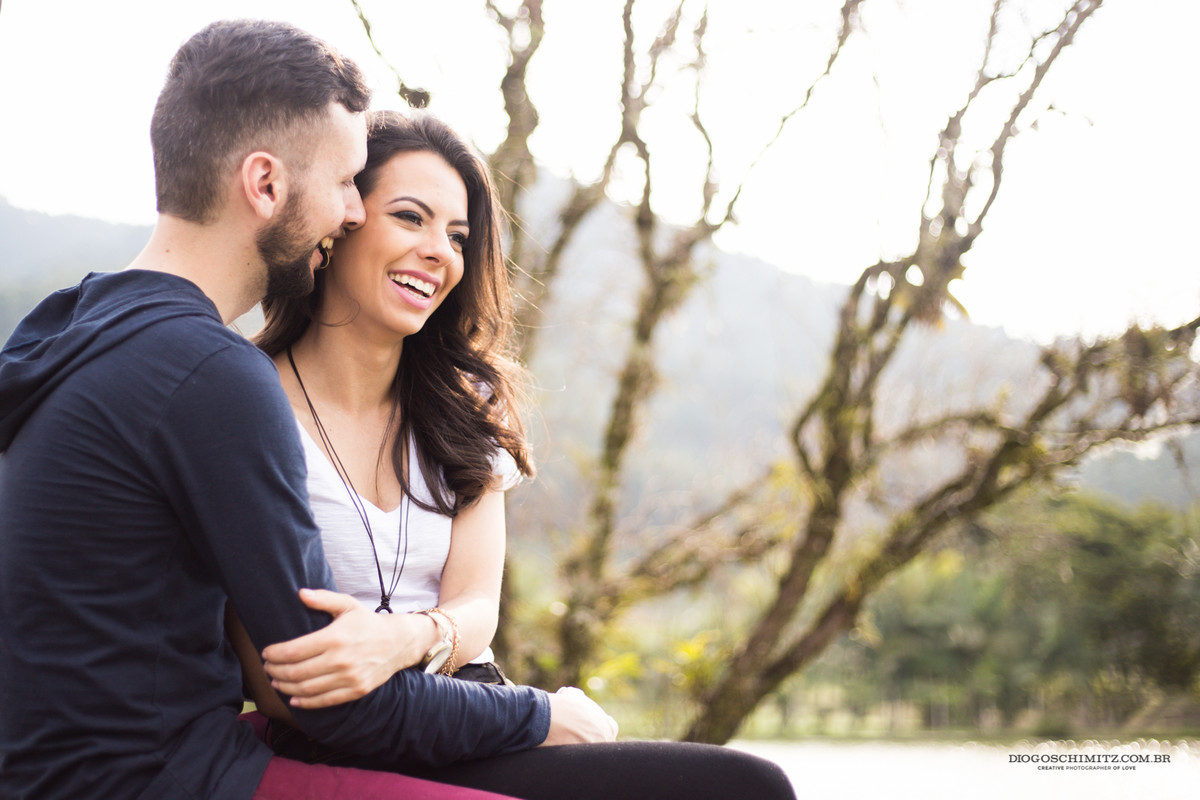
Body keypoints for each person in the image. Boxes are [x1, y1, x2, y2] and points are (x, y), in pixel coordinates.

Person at [0, 20, 612, 800]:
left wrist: (426, 643)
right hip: (170, 778)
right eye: (347, 183)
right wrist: (537, 716)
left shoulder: (85, 332)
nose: (352, 212)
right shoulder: (210, 377)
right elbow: (325, 698)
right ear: (265, 184)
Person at [224, 109, 797, 800]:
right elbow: (281, 685)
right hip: (345, 736)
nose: (441, 252)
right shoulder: (244, 404)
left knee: (746, 786)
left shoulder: (465, 403)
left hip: (472, 711)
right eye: (411, 217)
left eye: (458, 236)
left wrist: (402, 641)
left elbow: (474, 610)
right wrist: (536, 709)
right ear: (342, 221)